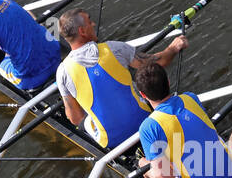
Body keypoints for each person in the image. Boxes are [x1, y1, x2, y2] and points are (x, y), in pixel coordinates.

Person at [55, 9, 188, 148]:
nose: (94, 24)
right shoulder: (113, 48)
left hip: (112, 141)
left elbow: (75, 118)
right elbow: (156, 63)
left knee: (84, 120)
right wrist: (174, 47)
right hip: (145, 121)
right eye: (90, 21)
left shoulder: (63, 72)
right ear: (82, 31)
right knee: (138, 86)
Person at [135, 62, 232, 178]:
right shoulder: (190, 98)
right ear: (168, 82)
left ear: (143, 95)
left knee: (144, 166)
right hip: (231, 173)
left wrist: (144, 162)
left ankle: (143, 165)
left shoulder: (148, 127)